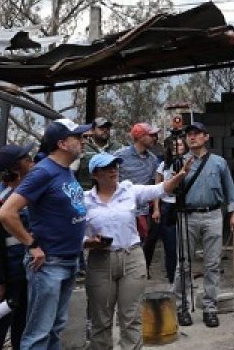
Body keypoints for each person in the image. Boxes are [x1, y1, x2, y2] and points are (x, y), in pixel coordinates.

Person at [0, 118, 93, 350]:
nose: (83, 141)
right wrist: (31, 245)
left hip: (69, 260)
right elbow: (6, 213)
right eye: (77, 137)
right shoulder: (43, 172)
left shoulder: (65, 171)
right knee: (38, 334)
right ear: (62, 143)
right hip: (49, 263)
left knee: (55, 328)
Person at [82, 152, 192, 350]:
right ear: (95, 174)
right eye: (107, 168)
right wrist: (89, 242)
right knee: (101, 320)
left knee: (131, 317)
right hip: (100, 261)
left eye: (115, 166)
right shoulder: (84, 201)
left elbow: (159, 189)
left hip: (131, 257)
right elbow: (73, 233)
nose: (113, 170)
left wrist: (180, 175)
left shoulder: (129, 190)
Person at [173, 121, 234, 328]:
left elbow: (230, 189)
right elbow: (169, 190)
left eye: (196, 133)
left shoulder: (219, 162)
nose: (192, 137)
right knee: (183, 264)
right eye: (189, 134)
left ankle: (210, 308)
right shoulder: (179, 163)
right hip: (187, 216)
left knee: (213, 264)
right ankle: (182, 307)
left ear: (206, 137)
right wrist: (180, 173)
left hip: (213, 214)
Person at [0, 143, 36, 350]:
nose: (31, 161)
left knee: (21, 323)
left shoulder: (24, 193)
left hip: (25, 269)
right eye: (26, 158)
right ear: (15, 169)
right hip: (10, 272)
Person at [114, 122, 161, 273]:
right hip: (123, 209)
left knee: (141, 243)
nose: (155, 138)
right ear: (141, 137)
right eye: (151, 135)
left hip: (143, 211)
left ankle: (138, 273)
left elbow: (154, 185)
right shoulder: (120, 156)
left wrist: (156, 208)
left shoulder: (153, 159)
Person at [151, 134, 189, 287]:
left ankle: (184, 279)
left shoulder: (189, 163)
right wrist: (156, 208)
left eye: (179, 145)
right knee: (170, 244)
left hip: (184, 205)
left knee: (185, 243)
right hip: (167, 206)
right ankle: (172, 277)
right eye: (173, 146)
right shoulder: (164, 165)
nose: (176, 148)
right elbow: (156, 188)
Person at [77, 118, 118, 189]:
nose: (105, 130)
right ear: (92, 130)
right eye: (101, 128)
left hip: (111, 192)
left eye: (107, 128)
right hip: (86, 191)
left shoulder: (118, 147)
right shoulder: (82, 146)